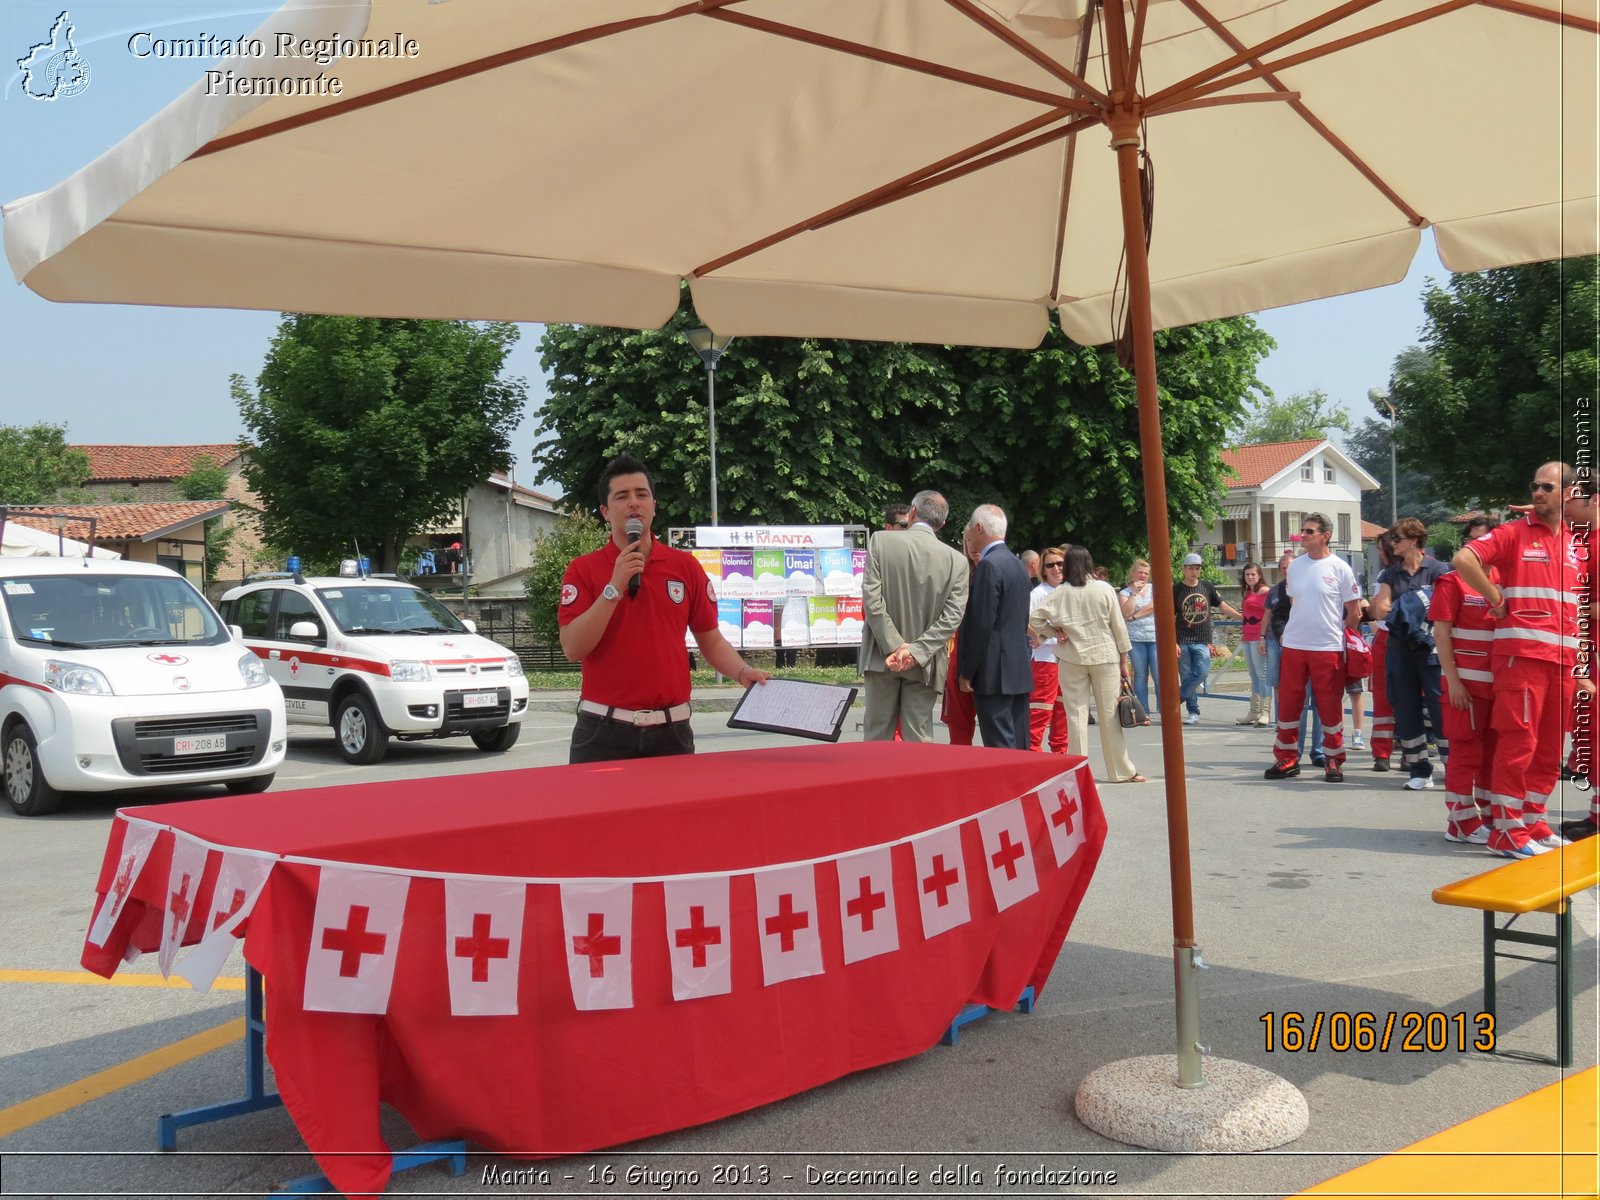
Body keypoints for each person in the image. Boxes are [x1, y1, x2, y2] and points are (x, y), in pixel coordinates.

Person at [559, 455, 770, 763]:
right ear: (605, 511)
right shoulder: (583, 570)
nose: (634, 503)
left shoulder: (684, 567)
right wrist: (614, 587)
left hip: (671, 732)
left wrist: (742, 671)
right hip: (602, 732)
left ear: (654, 506)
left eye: (641, 495)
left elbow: (710, 639)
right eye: (622, 496)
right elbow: (573, 647)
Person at [1452, 461, 1579, 857]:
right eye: (1535, 486)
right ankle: (1505, 832)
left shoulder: (1578, 543)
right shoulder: (1513, 534)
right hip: (1520, 659)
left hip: (1563, 662)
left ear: (1569, 494)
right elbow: (1463, 560)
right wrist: (1495, 597)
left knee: (1547, 748)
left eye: (1547, 487)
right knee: (1518, 742)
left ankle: (1532, 821)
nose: (1538, 493)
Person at [860, 490, 970, 742]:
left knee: (877, 734)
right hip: (926, 662)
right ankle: (917, 782)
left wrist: (894, 646)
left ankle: (875, 782)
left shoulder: (880, 541)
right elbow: (952, 617)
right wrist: (916, 651)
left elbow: (872, 600)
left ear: (912, 513)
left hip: (880, 655)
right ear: (942, 524)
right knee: (918, 737)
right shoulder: (957, 561)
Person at [1031, 544, 1144, 782]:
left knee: (1075, 716)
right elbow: (1118, 626)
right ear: (1090, 563)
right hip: (1105, 656)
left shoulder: (1061, 592)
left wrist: (1054, 632)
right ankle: (1120, 771)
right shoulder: (1103, 588)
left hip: (1072, 657)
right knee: (1109, 716)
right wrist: (1124, 659)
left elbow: (1035, 618)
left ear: (1068, 565)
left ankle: (1078, 772)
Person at [1265, 513, 1362, 783]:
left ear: (1325, 536)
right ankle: (1287, 758)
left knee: (1329, 706)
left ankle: (1333, 760)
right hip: (1295, 646)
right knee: (1288, 705)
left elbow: (1354, 612)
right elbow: (1296, 603)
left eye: (1309, 531)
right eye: (1303, 531)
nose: (1303, 535)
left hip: (1328, 647)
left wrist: (1340, 637)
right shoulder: (1295, 567)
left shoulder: (1340, 568)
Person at [1432, 520, 1500, 844]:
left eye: (1484, 540)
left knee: (1491, 755)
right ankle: (1460, 822)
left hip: (1498, 685)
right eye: (1471, 541)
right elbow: (1441, 633)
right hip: (1465, 686)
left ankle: (1487, 816)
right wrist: (1454, 682)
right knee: (1465, 753)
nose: (1477, 548)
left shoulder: (1502, 579)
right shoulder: (1452, 582)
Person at [1370, 517, 1451, 790]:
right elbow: (1379, 609)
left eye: (1397, 539)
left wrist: (1403, 609)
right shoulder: (1390, 573)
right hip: (1399, 650)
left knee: (1441, 709)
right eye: (1391, 539)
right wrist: (1411, 609)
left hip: (1431, 650)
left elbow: (1447, 608)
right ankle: (1419, 769)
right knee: (1405, 708)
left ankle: (1454, 767)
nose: (1392, 544)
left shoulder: (1440, 570)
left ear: (1414, 541)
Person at [957, 504, 1032, 750]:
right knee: (1019, 741)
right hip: (1017, 667)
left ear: (979, 528)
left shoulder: (989, 565)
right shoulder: (1017, 564)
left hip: (994, 671)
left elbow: (981, 623)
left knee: (1000, 744)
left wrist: (967, 670)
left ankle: (1010, 789)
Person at [1174, 553, 1241, 725]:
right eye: (1191, 568)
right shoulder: (1176, 590)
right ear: (1184, 569)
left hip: (1202, 639)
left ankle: (1178, 696)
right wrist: (1173, 642)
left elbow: (1223, 606)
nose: (1194, 572)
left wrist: (1240, 616)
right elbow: (1170, 617)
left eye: (1197, 568)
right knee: (1187, 674)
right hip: (1182, 638)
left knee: (1202, 672)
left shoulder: (1206, 586)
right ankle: (1193, 711)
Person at [1026, 548, 1071, 754]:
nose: (1056, 569)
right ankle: (1033, 758)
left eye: (1060, 564)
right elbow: (1026, 621)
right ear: (1042, 569)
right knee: (1041, 712)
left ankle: (1060, 758)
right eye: (1050, 565)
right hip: (1046, 659)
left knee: (1063, 713)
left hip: (1070, 659)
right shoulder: (1038, 594)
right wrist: (1043, 636)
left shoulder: (1071, 590)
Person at [1366, 532, 1398, 770]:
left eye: (1380, 548)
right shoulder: (1383, 574)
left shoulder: (1425, 570)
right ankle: (1381, 753)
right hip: (1386, 636)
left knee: (1410, 697)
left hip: (1409, 638)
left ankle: (1410, 751)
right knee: (1381, 697)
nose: (1378, 553)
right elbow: (1377, 609)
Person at [1119, 559, 1158, 721]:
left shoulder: (1154, 589)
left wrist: (1136, 616)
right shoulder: (1125, 593)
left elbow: (1156, 605)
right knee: (1140, 675)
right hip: (1135, 639)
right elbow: (1125, 612)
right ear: (1133, 573)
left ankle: (1165, 709)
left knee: (1159, 675)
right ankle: (1144, 711)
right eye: (1140, 572)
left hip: (1155, 638)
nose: (1143, 575)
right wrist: (1134, 594)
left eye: (1146, 573)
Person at [1236, 562, 1272, 726]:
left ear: (1259, 576)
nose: (1250, 577)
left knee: (1262, 675)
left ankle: (1265, 712)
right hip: (1247, 636)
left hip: (1259, 637)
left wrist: (1263, 637)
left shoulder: (1265, 591)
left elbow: (1268, 614)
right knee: (1253, 676)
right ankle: (1254, 711)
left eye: (1253, 574)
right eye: (1247, 574)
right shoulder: (1247, 592)